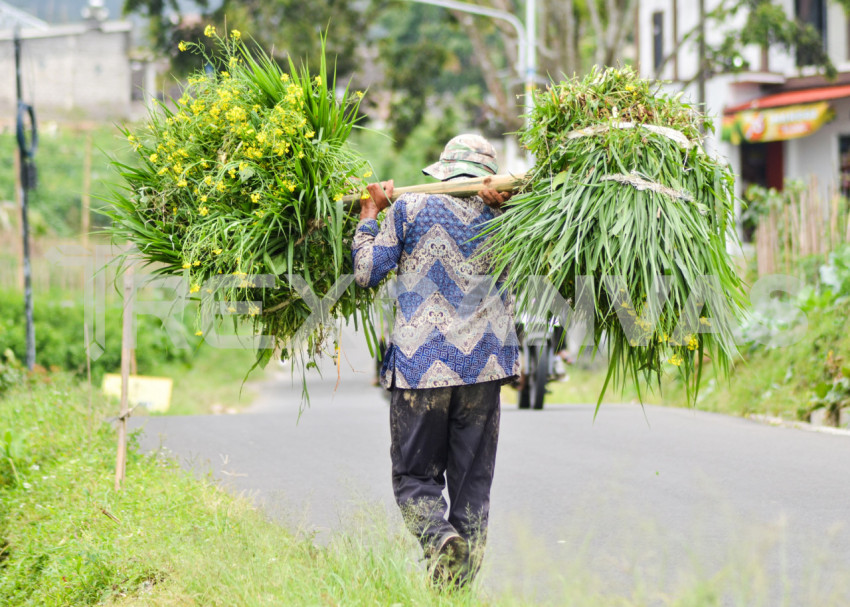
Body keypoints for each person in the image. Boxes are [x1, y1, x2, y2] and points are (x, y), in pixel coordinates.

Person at [351, 134, 519, 586]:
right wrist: (507, 208)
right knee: (472, 486)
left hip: (420, 365)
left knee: (413, 476)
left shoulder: (409, 208)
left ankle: (438, 538)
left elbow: (367, 272)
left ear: (444, 168)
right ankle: (455, 587)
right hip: (484, 369)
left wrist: (370, 215)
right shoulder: (515, 220)